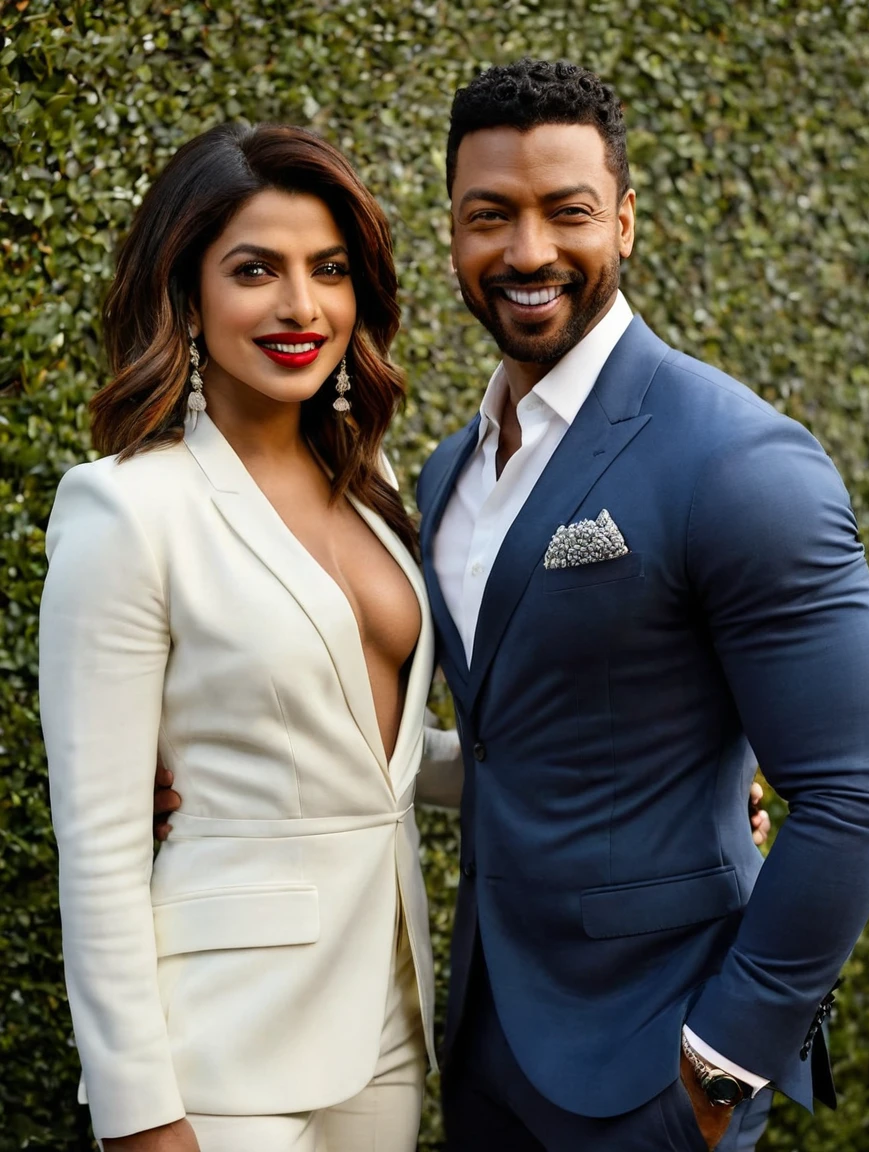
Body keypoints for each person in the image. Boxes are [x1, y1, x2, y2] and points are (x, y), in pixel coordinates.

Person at [415, 58, 869, 1152]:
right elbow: (507, 743)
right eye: (488, 215)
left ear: (624, 223)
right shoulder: (447, 475)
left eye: (565, 211)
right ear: (451, 232)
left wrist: (720, 1070)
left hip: (654, 1070)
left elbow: (855, 796)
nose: (525, 251)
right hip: (481, 1043)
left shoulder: (738, 460)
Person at [39, 122, 459, 1152]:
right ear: (186, 295)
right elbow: (95, 842)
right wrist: (140, 1110)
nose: (299, 306)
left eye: (328, 270)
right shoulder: (125, 511)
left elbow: (382, 757)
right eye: (254, 271)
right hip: (218, 1047)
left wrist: (662, 777)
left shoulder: (373, 488)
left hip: (385, 1025)